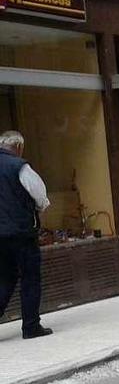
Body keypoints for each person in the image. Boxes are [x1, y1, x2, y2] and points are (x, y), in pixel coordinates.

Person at [0, 131, 53, 339]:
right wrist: (37, 209)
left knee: (4, 277)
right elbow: (40, 196)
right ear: (19, 147)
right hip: (21, 232)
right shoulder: (19, 166)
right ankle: (31, 326)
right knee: (30, 278)